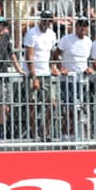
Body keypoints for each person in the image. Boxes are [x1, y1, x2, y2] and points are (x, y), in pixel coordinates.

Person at [54, 18, 94, 141]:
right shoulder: (66, 39)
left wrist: (89, 68)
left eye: (85, 26)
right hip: (68, 80)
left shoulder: (88, 41)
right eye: (81, 25)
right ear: (76, 27)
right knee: (69, 108)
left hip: (82, 80)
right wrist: (61, 68)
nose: (83, 28)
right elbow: (55, 55)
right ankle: (66, 134)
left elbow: (89, 59)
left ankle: (79, 134)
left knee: (81, 108)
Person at [23, 9, 59, 141]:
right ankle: (34, 133)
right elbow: (29, 56)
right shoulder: (32, 33)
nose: (46, 22)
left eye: (49, 20)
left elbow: (52, 54)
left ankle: (45, 130)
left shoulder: (52, 34)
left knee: (52, 103)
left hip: (46, 72)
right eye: (44, 19)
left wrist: (53, 67)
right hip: (34, 72)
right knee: (32, 103)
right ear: (40, 20)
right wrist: (34, 77)